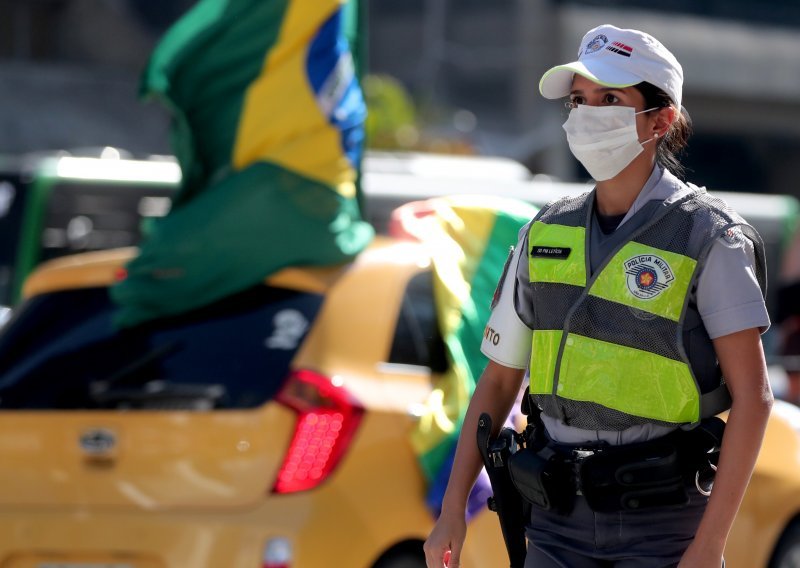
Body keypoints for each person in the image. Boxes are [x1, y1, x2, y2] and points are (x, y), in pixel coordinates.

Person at [424, 24, 773, 568]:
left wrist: (710, 545)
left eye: (610, 99)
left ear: (661, 119)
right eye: (579, 100)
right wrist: (450, 510)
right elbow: (497, 382)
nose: (587, 115)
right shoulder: (543, 232)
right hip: (555, 522)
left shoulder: (711, 236)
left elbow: (754, 400)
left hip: (665, 526)